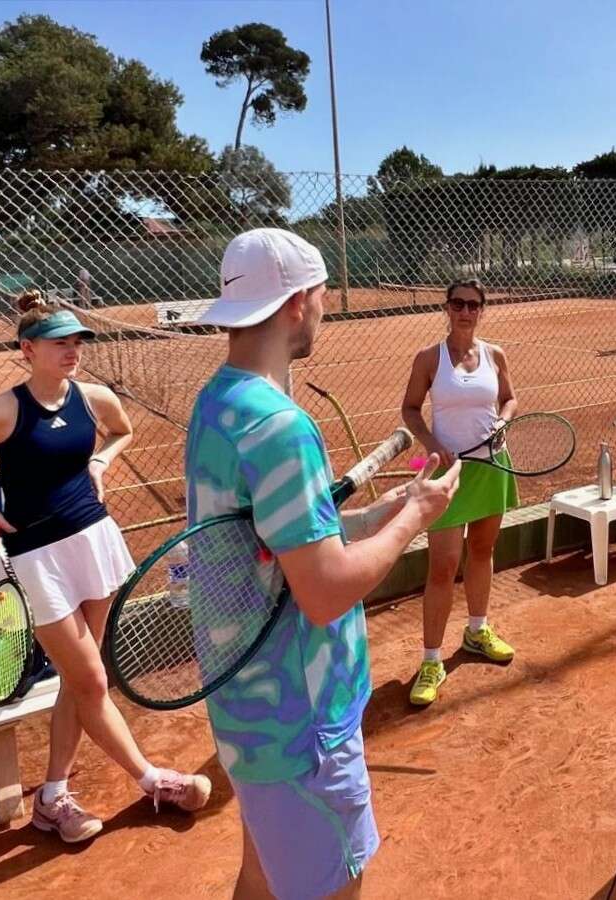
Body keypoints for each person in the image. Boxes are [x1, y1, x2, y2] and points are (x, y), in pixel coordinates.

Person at [186, 228, 459, 899]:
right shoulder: (280, 425)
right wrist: (419, 518)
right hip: (303, 722)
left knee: (261, 875)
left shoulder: (217, 403)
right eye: (321, 296)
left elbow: (278, 545)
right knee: (335, 885)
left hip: (248, 712)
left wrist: (386, 511)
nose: (324, 310)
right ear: (295, 304)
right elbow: (326, 590)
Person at [0, 290, 211, 843]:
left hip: (93, 542)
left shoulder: (94, 398)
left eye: (77, 341)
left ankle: (52, 799)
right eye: (58, 342)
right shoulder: (3, 410)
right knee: (92, 681)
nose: (72, 350)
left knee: (79, 681)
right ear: (28, 349)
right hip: (38, 560)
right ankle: (154, 780)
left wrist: (100, 460)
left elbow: (122, 430)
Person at [400, 278, 519, 707]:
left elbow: (510, 399)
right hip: (448, 475)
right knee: (443, 566)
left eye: (473, 305)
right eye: (458, 304)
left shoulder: (495, 355)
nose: (465, 311)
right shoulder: (428, 358)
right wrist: (433, 444)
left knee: (483, 551)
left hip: (491, 466)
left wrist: (503, 422)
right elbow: (410, 409)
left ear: (482, 310)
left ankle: (477, 630)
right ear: (447, 308)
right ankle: (431, 660)